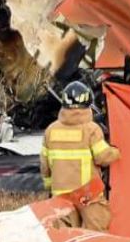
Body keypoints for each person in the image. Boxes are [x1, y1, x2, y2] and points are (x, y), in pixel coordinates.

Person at [40, 81, 120, 231]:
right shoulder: (91, 129)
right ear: (88, 104)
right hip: (87, 193)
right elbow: (102, 157)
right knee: (96, 233)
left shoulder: (51, 130)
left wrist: (50, 186)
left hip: (61, 193)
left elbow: (45, 166)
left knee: (62, 236)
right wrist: (116, 151)